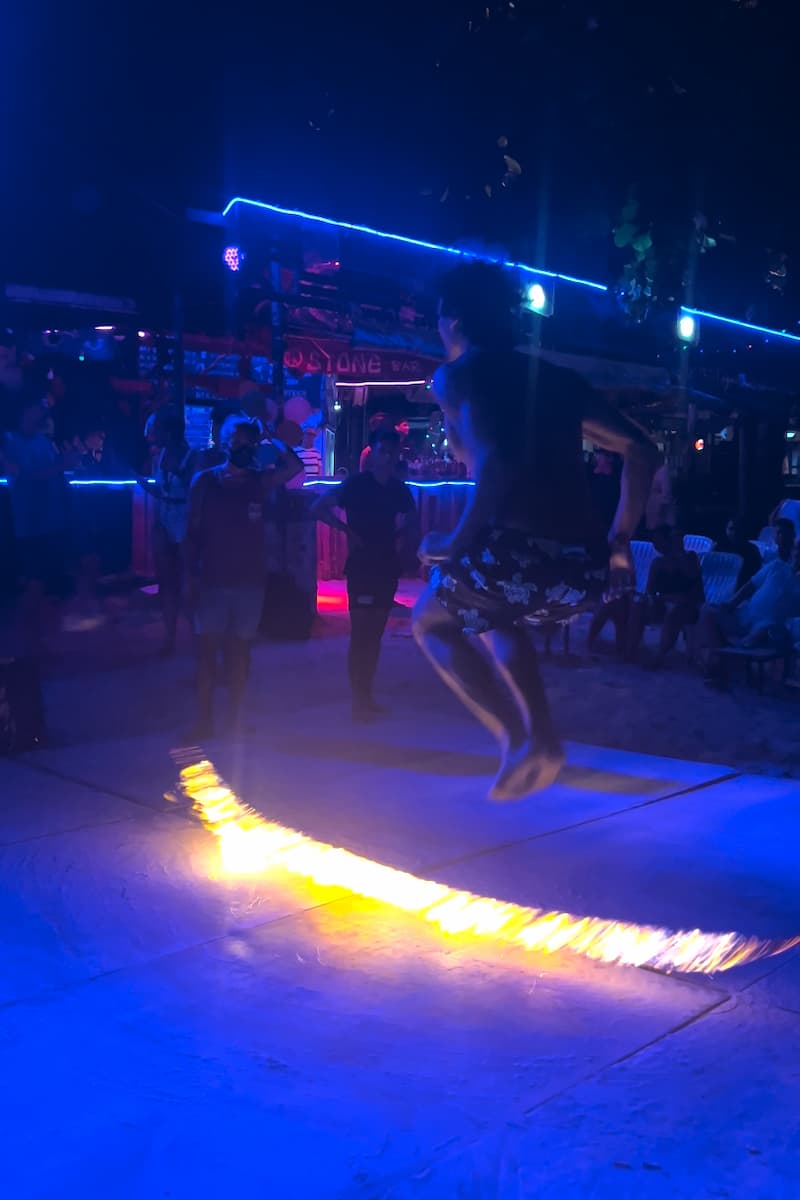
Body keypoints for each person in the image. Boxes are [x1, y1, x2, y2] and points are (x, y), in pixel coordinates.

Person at [412, 261, 658, 801]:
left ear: (453, 320)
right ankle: (540, 740)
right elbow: (642, 451)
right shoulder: (560, 380)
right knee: (495, 610)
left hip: (518, 557)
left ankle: (519, 736)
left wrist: (453, 544)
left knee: (430, 621)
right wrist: (620, 544)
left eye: (438, 318)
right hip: (581, 570)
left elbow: (496, 464)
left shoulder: (456, 375)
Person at [184, 414, 303, 737]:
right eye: (235, 440)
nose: (240, 446)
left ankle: (235, 720)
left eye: (246, 441)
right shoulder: (206, 481)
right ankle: (205, 721)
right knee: (208, 655)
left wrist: (269, 436)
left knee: (240, 655)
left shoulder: (257, 481)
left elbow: (294, 468)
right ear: (224, 443)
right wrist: (189, 575)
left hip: (250, 580)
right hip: (213, 578)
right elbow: (191, 531)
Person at [313, 429, 417, 721]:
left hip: (386, 565)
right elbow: (317, 507)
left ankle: (366, 696)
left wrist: (402, 537)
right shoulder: (356, 484)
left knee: (374, 635)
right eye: (382, 451)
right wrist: (346, 531)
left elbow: (413, 520)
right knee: (361, 635)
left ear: (396, 454)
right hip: (360, 565)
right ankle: (359, 700)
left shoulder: (399, 488)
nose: (386, 457)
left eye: (391, 452)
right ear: (372, 453)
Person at [1, 398, 75, 649]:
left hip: (53, 521)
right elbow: (23, 478)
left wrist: (65, 466)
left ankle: (40, 640)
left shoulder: (43, 441)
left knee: (49, 585)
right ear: (25, 411)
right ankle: (25, 642)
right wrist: (61, 465)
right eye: (37, 408)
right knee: (35, 582)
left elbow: (55, 473)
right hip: (31, 523)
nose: (42, 412)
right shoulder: (10, 441)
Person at [144, 407, 197, 656]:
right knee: (167, 582)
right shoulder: (161, 454)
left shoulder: (191, 457)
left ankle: (197, 637)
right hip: (165, 516)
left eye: (158, 430)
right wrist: (141, 482)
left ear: (170, 431)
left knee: (188, 581)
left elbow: (193, 493)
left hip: (183, 518)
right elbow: (161, 491)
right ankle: (170, 638)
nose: (154, 434)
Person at [706, 518, 800, 658]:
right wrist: (731, 603)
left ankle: (740, 649)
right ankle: (721, 660)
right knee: (707, 612)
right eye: (797, 551)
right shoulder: (776, 566)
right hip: (745, 615)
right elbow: (750, 586)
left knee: (769, 628)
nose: (798, 554)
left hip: (771, 625)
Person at [624, 526, 705, 667]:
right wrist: (651, 600)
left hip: (688, 605)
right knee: (638, 605)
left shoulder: (690, 558)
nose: (656, 545)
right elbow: (649, 590)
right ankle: (630, 650)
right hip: (664, 602)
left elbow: (694, 587)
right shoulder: (658, 563)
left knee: (674, 613)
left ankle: (659, 657)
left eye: (659, 541)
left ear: (670, 541)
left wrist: (678, 555)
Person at [714, 516, 762, 589]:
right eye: (731, 529)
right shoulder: (718, 547)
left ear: (743, 530)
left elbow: (755, 577)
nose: (734, 533)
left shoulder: (752, 550)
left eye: (737, 529)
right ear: (725, 530)